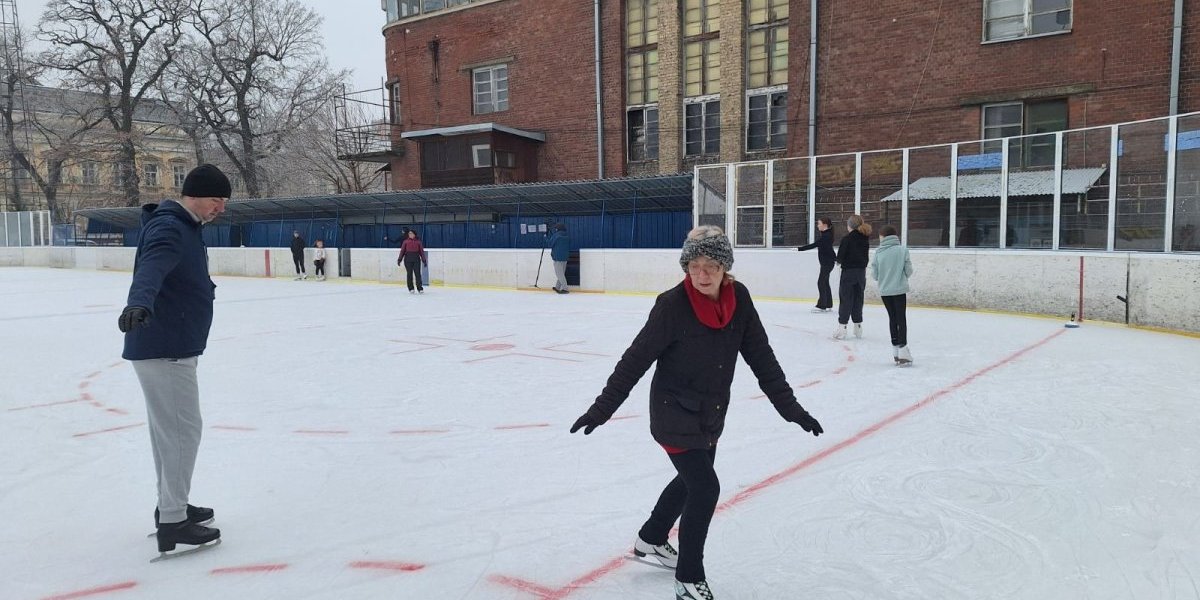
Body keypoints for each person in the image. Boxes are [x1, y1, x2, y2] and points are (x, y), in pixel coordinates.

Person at [569, 225, 824, 600]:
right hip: (673, 413)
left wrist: (791, 410)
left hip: (711, 413)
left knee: (690, 484)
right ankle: (689, 578)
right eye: (694, 266)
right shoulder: (672, 306)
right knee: (705, 488)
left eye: (711, 266)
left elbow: (762, 358)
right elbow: (635, 360)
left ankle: (651, 538)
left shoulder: (740, 299)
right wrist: (602, 409)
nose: (702, 275)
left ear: (726, 268)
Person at [117, 164, 229, 556]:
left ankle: (172, 507)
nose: (220, 208)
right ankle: (173, 521)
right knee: (182, 432)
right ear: (195, 194)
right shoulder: (171, 227)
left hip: (168, 343)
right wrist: (139, 302)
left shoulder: (183, 225)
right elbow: (151, 269)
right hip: (166, 347)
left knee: (169, 434)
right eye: (216, 199)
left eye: (224, 202)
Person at [871, 225, 914, 366]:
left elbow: (875, 275)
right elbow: (909, 271)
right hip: (899, 289)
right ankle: (903, 350)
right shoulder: (903, 250)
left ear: (883, 237)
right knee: (901, 318)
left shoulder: (878, 253)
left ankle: (895, 350)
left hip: (885, 291)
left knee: (892, 318)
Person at [833, 214, 872, 340]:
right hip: (861, 273)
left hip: (848, 273)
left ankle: (842, 327)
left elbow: (840, 258)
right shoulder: (865, 238)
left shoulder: (847, 239)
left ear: (849, 225)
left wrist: (838, 261)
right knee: (858, 298)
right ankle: (858, 326)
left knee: (846, 299)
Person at [796, 217, 836, 312]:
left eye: (819, 224)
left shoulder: (826, 236)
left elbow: (815, 245)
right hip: (827, 262)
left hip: (827, 263)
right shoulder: (826, 235)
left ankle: (822, 305)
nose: (818, 225)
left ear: (825, 225)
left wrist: (799, 249)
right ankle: (828, 304)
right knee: (825, 282)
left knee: (821, 282)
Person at [397, 229, 428, 294]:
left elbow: (421, 252)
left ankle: (420, 288)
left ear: (414, 234)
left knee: (417, 274)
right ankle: (411, 288)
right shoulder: (405, 242)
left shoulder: (418, 242)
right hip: (408, 259)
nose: (410, 234)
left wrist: (424, 260)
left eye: (411, 233)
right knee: (409, 274)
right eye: (409, 233)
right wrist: (399, 259)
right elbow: (402, 251)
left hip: (416, 259)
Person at [548, 223, 570, 294]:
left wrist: (546, 237)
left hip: (557, 257)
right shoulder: (567, 235)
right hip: (565, 257)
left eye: (556, 228)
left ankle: (565, 289)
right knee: (561, 273)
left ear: (558, 229)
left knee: (559, 274)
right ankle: (557, 287)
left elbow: (549, 244)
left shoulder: (556, 235)